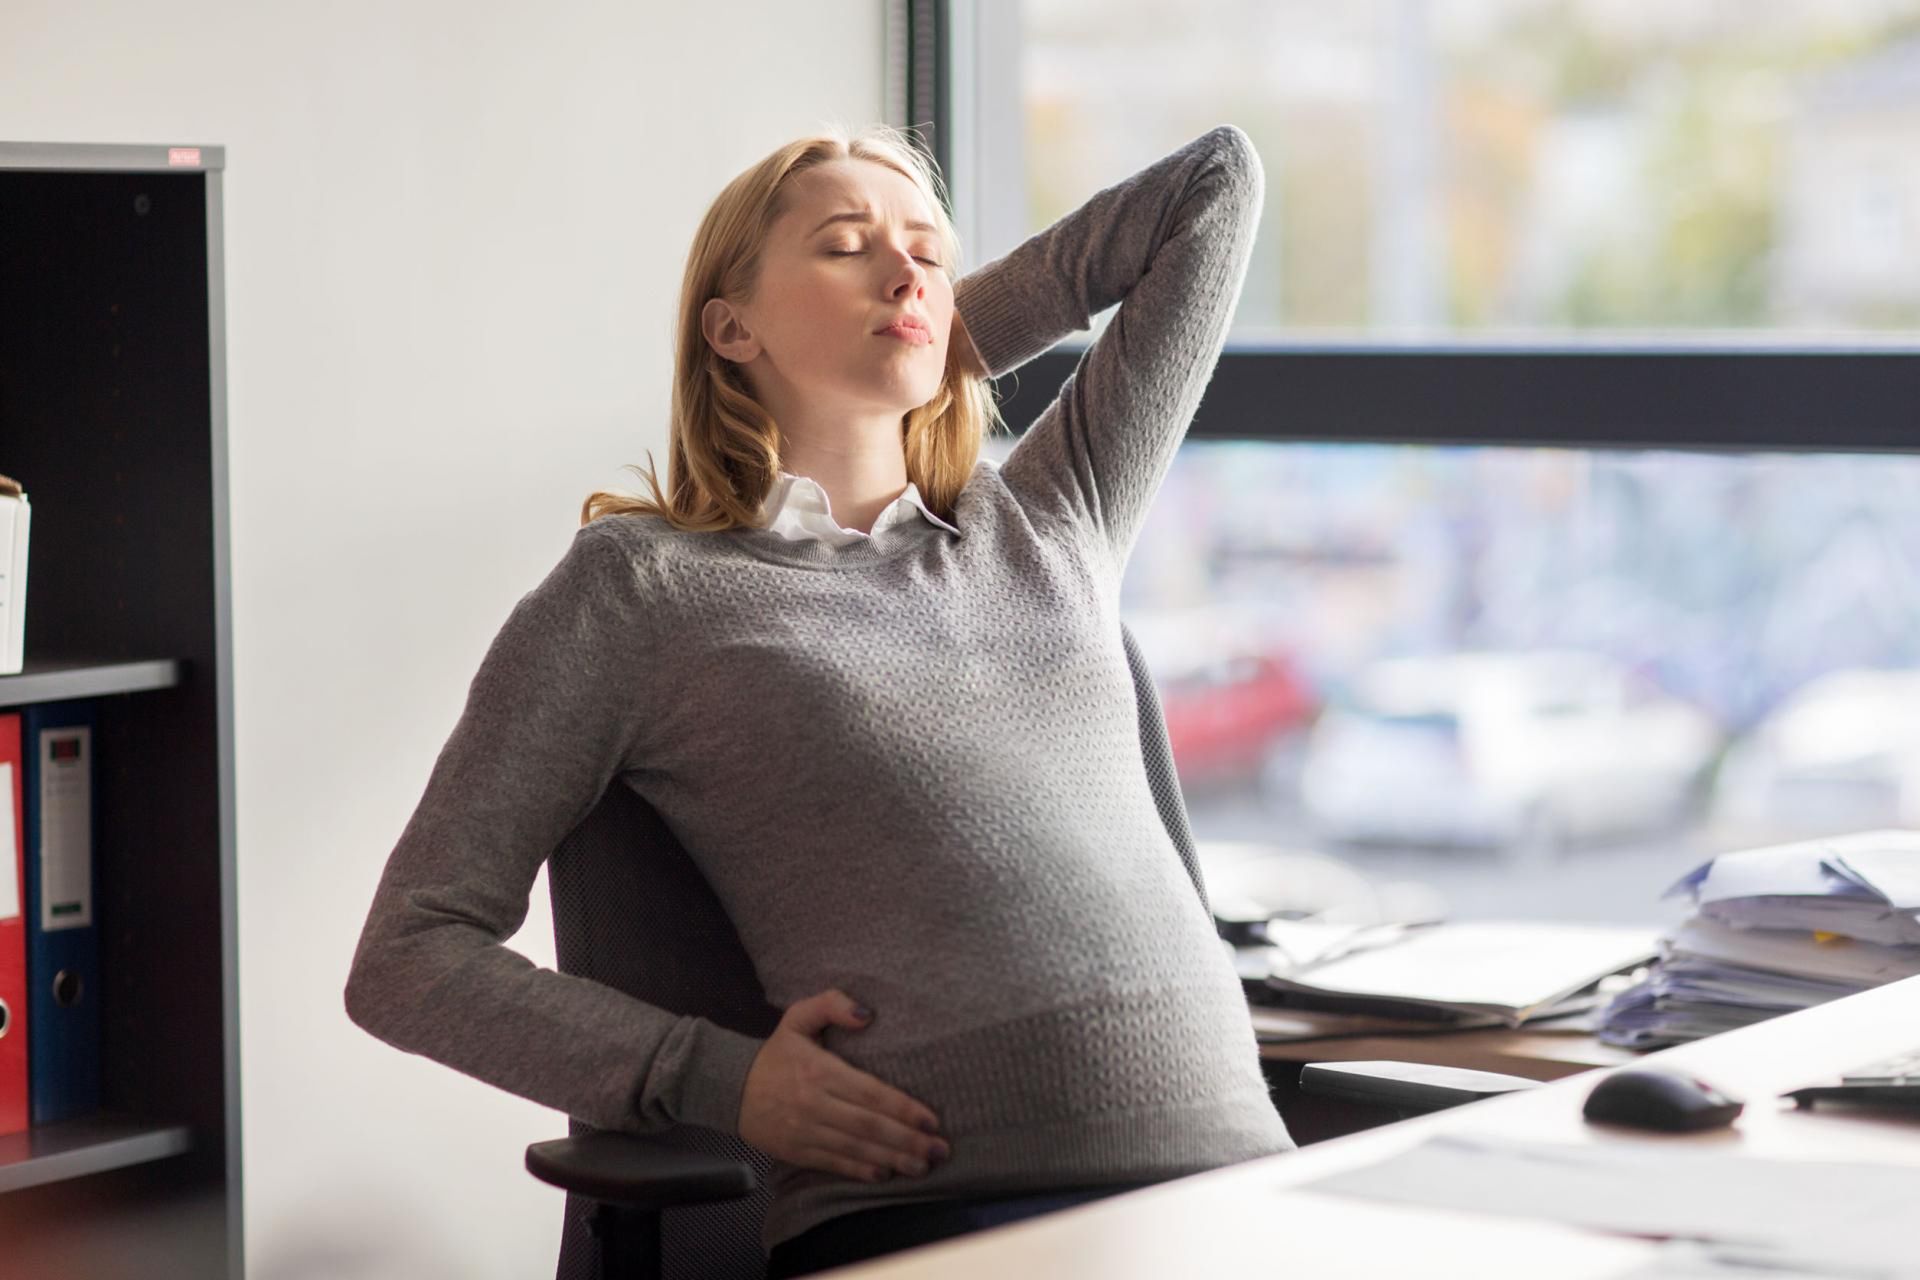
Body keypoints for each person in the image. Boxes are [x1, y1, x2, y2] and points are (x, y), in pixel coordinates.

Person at [343, 119, 1288, 1278]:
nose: (904, 270)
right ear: (731, 328)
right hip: (944, 1211)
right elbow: (407, 953)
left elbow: (1214, 187)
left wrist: (934, 327)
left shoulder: (1051, 516)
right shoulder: (644, 585)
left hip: (1244, 1186)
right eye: (845, 246)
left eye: (929, 251)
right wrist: (718, 1078)